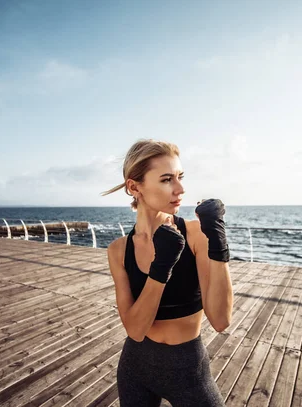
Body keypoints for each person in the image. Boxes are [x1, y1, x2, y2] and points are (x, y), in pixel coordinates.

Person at [101, 139, 233, 406]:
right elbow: (136, 330)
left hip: (188, 370)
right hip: (136, 367)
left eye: (180, 177)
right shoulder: (119, 250)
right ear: (134, 186)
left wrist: (218, 243)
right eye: (166, 179)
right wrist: (162, 267)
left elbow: (220, 320)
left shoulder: (196, 234)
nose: (180, 189)